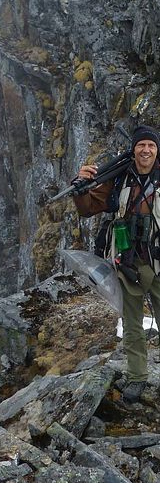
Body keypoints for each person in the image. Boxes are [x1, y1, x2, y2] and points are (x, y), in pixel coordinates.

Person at [73, 125, 160, 403]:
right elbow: (88, 208)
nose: (146, 150)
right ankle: (136, 378)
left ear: (157, 150)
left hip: (158, 262)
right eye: (141, 145)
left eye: (151, 146)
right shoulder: (120, 179)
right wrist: (80, 186)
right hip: (129, 263)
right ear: (134, 149)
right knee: (133, 324)